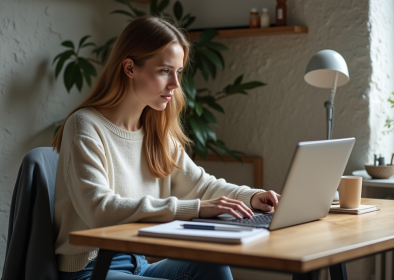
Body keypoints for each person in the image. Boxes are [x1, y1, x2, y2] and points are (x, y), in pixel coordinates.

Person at [52, 16, 280, 280]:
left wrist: (252, 197)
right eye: (164, 71)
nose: (175, 84)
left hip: (138, 261)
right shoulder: (85, 126)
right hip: (91, 269)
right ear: (129, 68)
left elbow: (201, 185)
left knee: (213, 266)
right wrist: (194, 208)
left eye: (179, 72)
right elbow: (99, 212)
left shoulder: (154, 131)